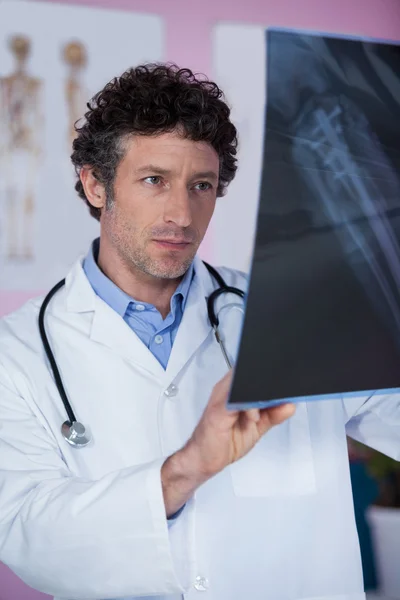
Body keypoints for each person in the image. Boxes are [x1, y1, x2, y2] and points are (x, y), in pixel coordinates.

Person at [0, 63, 399, 600]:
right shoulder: (16, 354)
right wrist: (185, 470)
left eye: (201, 185)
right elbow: (26, 536)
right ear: (95, 184)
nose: (182, 214)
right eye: (154, 181)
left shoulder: (301, 315)